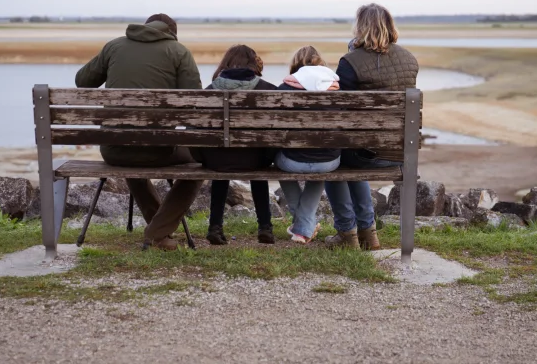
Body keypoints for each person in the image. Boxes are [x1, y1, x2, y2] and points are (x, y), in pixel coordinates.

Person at [75, 13, 204, 251]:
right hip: (160, 150)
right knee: (202, 164)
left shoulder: (113, 47)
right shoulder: (178, 51)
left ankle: (157, 230)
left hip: (114, 150)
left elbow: (82, 81)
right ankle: (158, 230)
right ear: (171, 32)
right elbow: (193, 101)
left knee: (131, 154)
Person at [325, 3, 419, 250]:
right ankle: (369, 236)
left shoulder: (350, 62)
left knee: (333, 160)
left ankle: (348, 235)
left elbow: (339, 111)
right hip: (399, 154)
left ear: (360, 27)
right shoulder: (409, 59)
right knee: (355, 155)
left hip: (364, 154)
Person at [191, 45, 277, 245]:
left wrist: (203, 157)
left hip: (217, 159)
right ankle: (265, 227)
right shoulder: (269, 90)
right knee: (258, 162)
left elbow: (195, 128)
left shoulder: (209, 91)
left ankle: (215, 226)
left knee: (222, 161)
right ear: (253, 64)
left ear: (225, 63)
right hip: (256, 159)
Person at [275, 46, 341, 243]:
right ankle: (304, 228)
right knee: (320, 163)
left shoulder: (284, 89)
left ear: (296, 66)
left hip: (291, 161)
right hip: (329, 162)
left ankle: (304, 226)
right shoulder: (338, 89)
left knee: (276, 162)